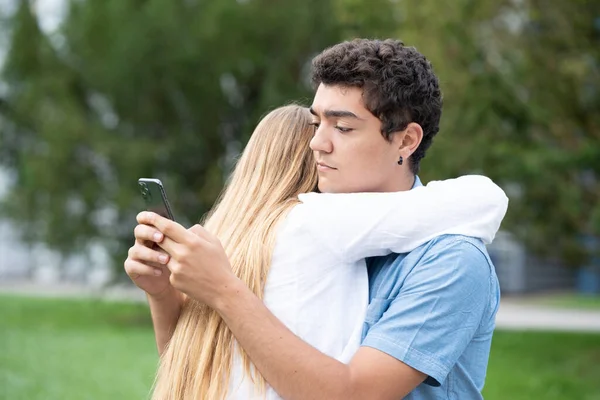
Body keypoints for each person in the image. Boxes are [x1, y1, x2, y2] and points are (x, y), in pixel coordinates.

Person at [127, 39, 508, 400]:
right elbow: (208, 368)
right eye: (315, 124)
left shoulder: (450, 261)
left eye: (342, 128)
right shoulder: (296, 231)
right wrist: (163, 294)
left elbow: (355, 394)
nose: (317, 143)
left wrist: (226, 291)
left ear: (406, 141)